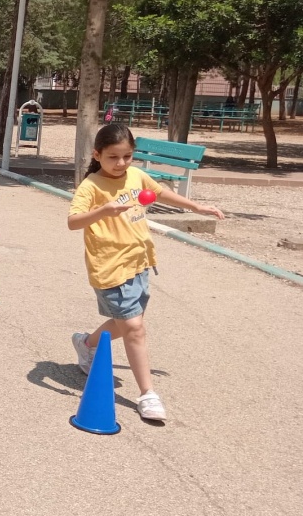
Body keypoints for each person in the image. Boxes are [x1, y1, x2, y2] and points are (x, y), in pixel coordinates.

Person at [68, 123, 224, 423]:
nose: (121, 163)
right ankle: (147, 394)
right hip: (110, 268)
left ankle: (86, 343)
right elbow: (73, 222)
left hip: (140, 263)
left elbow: (160, 193)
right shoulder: (91, 186)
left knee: (124, 322)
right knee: (135, 329)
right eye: (113, 157)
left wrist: (197, 206)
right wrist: (104, 210)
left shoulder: (136, 176)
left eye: (127, 156)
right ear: (97, 155)